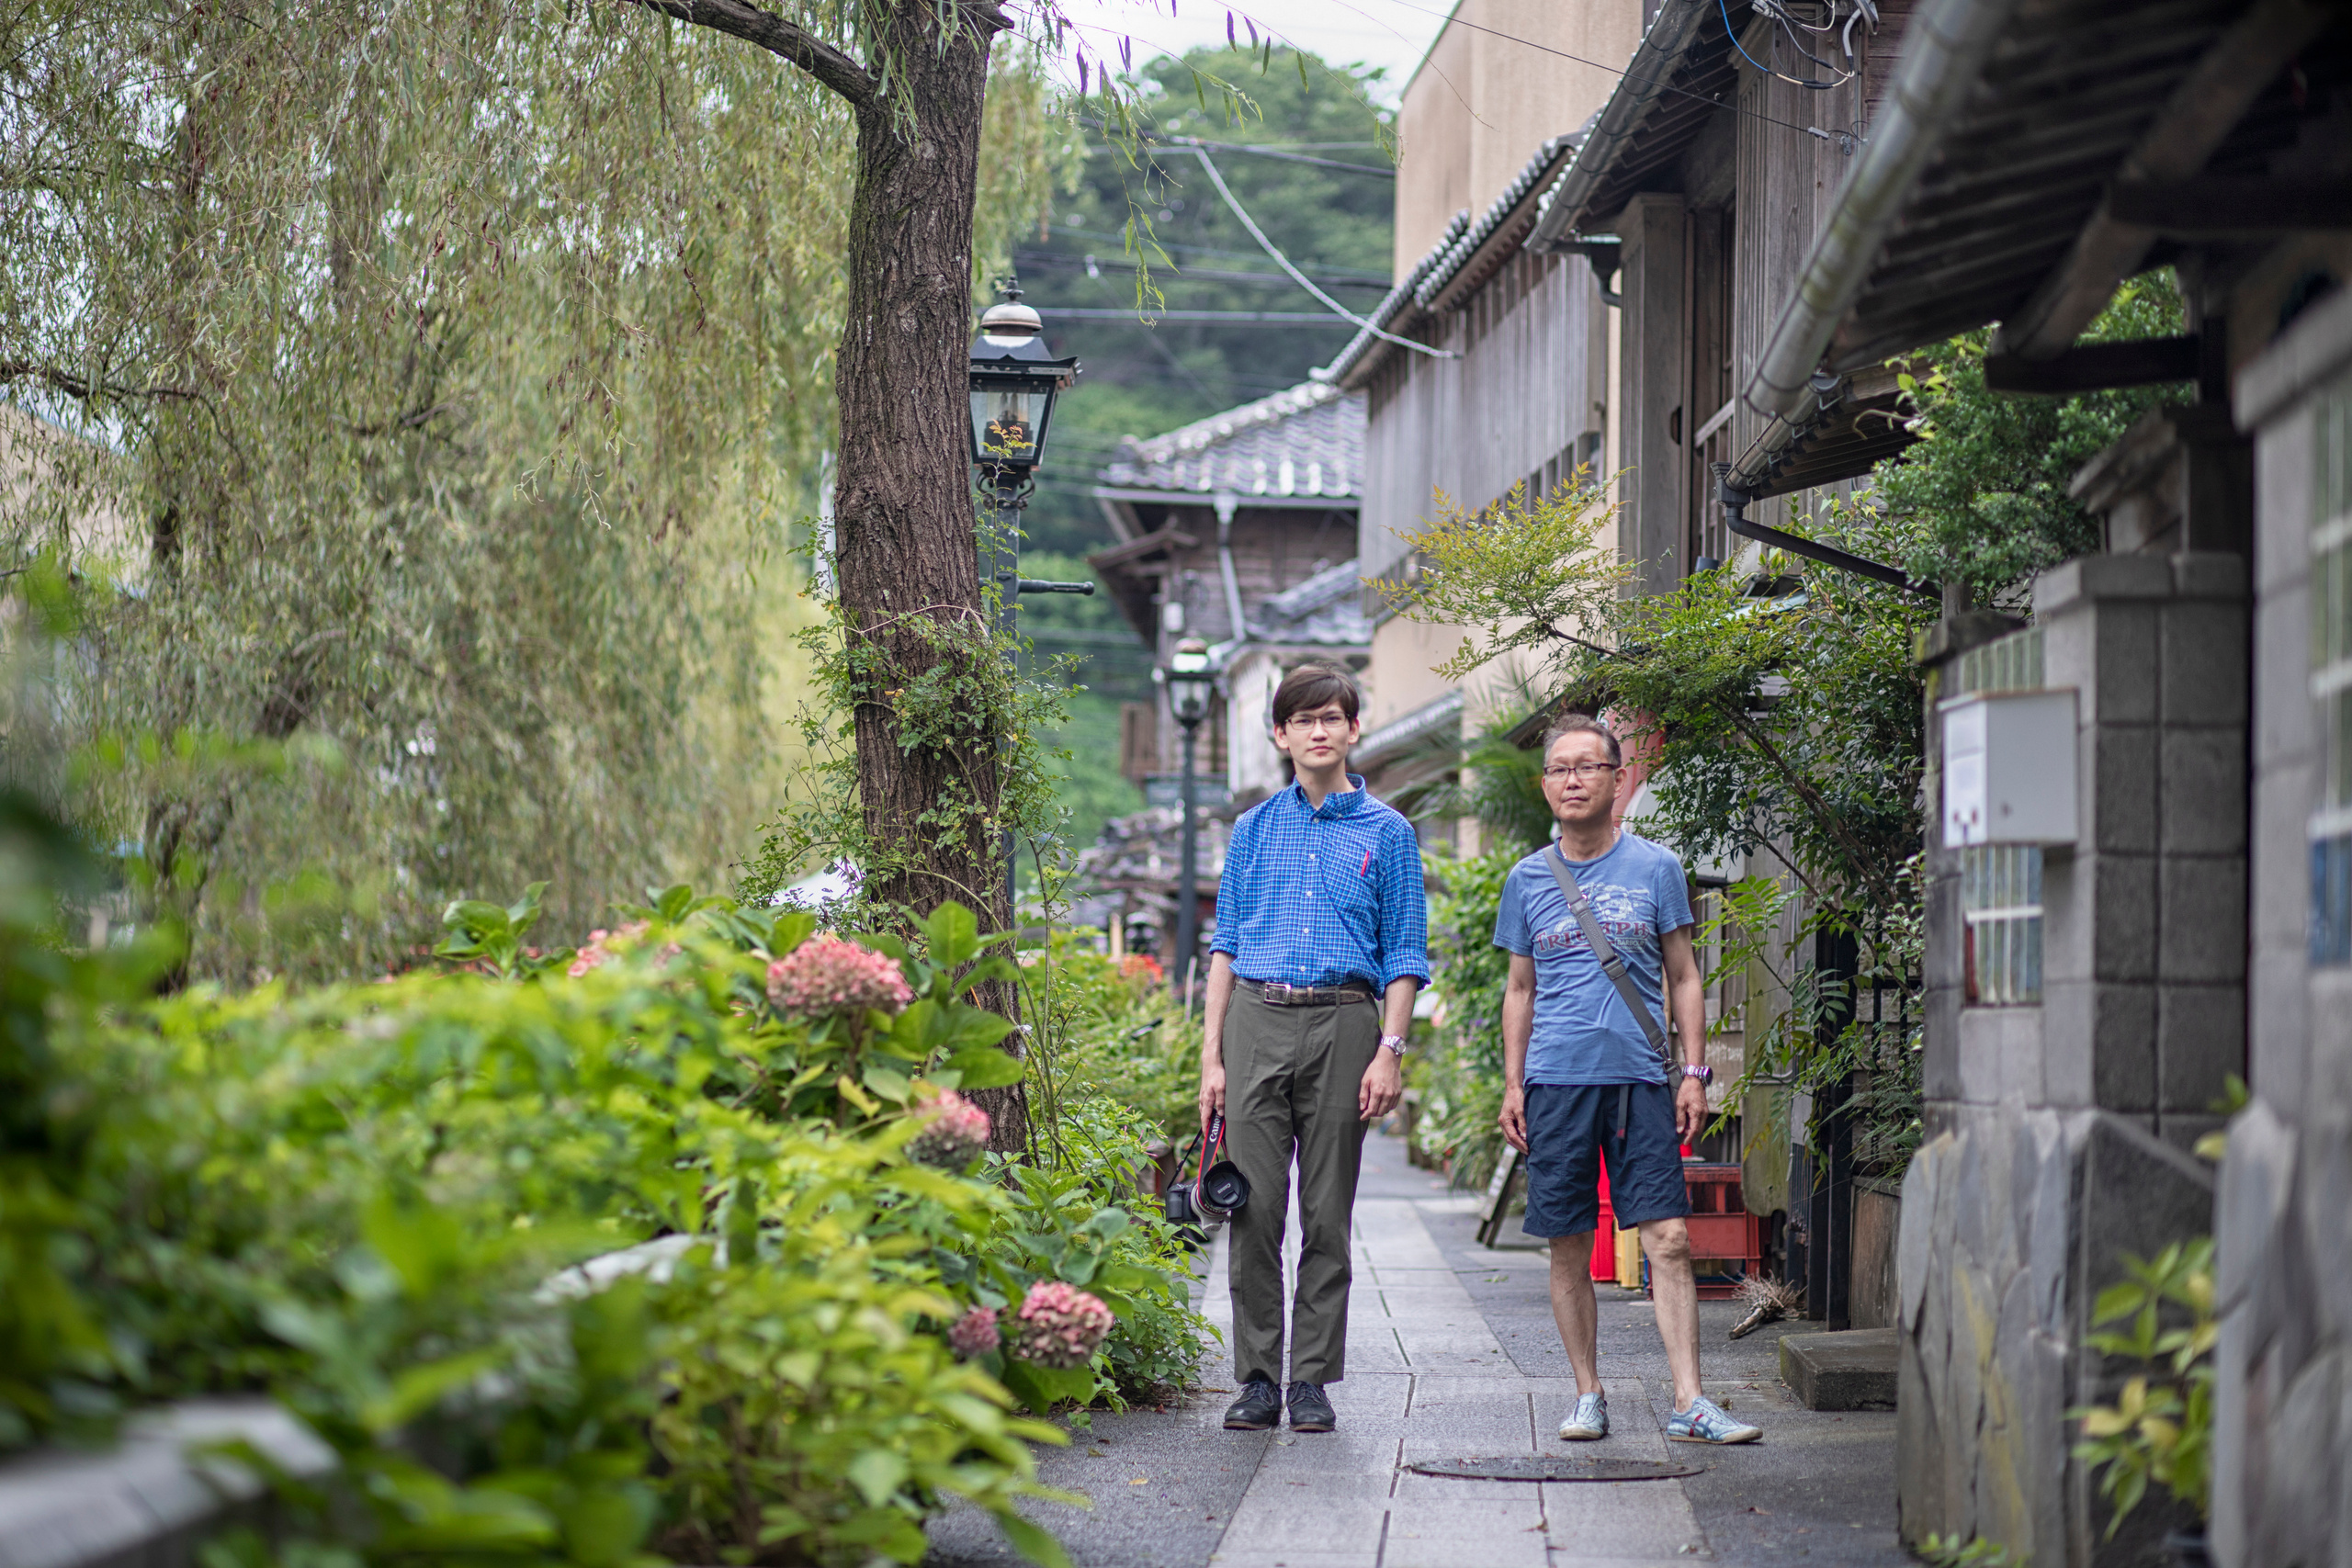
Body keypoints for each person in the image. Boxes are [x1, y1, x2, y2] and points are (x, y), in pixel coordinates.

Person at [1496, 716, 1762, 1446]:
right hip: (1556, 1083)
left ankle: (1690, 1400)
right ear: (1546, 784)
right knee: (1569, 1242)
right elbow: (1519, 989)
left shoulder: (1656, 868)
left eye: (1588, 766)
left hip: (1643, 1079)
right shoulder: (1526, 878)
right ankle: (1588, 1392)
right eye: (1559, 769)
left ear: (1618, 778)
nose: (1573, 779)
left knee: (1669, 1237)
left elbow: (1683, 974)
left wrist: (1696, 1071)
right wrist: (1513, 1084)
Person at [1199, 663, 1427, 1435]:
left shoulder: (1389, 834)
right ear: (1281, 734)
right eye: (1303, 720)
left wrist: (1389, 1048)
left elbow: (1404, 953)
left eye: (1332, 717)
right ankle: (1259, 1376)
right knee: (1253, 1208)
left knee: (1327, 1211)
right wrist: (1212, 1058)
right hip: (1256, 1017)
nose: (1319, 730)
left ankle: (1311, 1380)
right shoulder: (1253, 828)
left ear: (1353, 729)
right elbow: (1225, 946)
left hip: (1345, 1023)